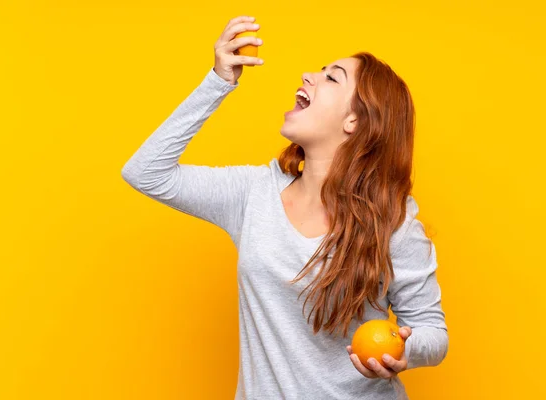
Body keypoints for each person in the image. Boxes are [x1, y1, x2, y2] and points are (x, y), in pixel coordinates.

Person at [121, 15, 448, 400]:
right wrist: (217, 82)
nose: (309, 75)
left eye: (332, 77)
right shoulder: (253, 193)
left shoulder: (392, 218)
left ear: (355, 121)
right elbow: (145, 172)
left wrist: (403, 350)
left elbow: (432, 332)